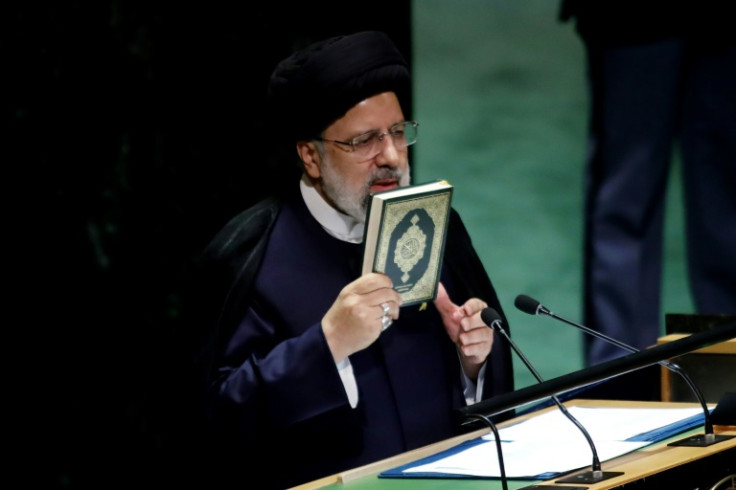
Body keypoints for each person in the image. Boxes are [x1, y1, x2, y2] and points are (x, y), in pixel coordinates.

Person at [188, 31, 514, 488]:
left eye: (398, 133)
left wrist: (474, 360)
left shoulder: (437, 225)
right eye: (364, 141)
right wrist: (327, 344)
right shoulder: (250, 255)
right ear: (310, 156)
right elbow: (220, 415)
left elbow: (486, 395)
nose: (391, 156)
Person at [559, 1, 736, 395]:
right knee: (625, 199)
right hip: (631, 18)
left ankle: (731, 369)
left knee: (727, 209)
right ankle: (617, 383)